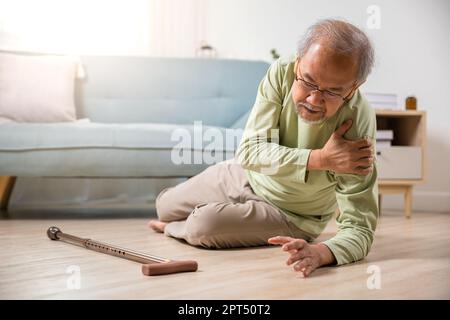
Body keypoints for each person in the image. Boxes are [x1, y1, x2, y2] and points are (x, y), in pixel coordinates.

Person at [148, 19, 378, 277]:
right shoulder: (282, 72)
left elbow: (359, 228)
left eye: (332, 92)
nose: (314, 100)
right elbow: (249, 152)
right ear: (298, 63)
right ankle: (176, 221)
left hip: (292, 214)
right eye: (308, 82)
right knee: (164, 205)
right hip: (245, 174)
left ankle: (174, 228)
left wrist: (322, 252)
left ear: (354, 88)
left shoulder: (358, 126)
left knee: (202, 225)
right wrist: (319, 159)